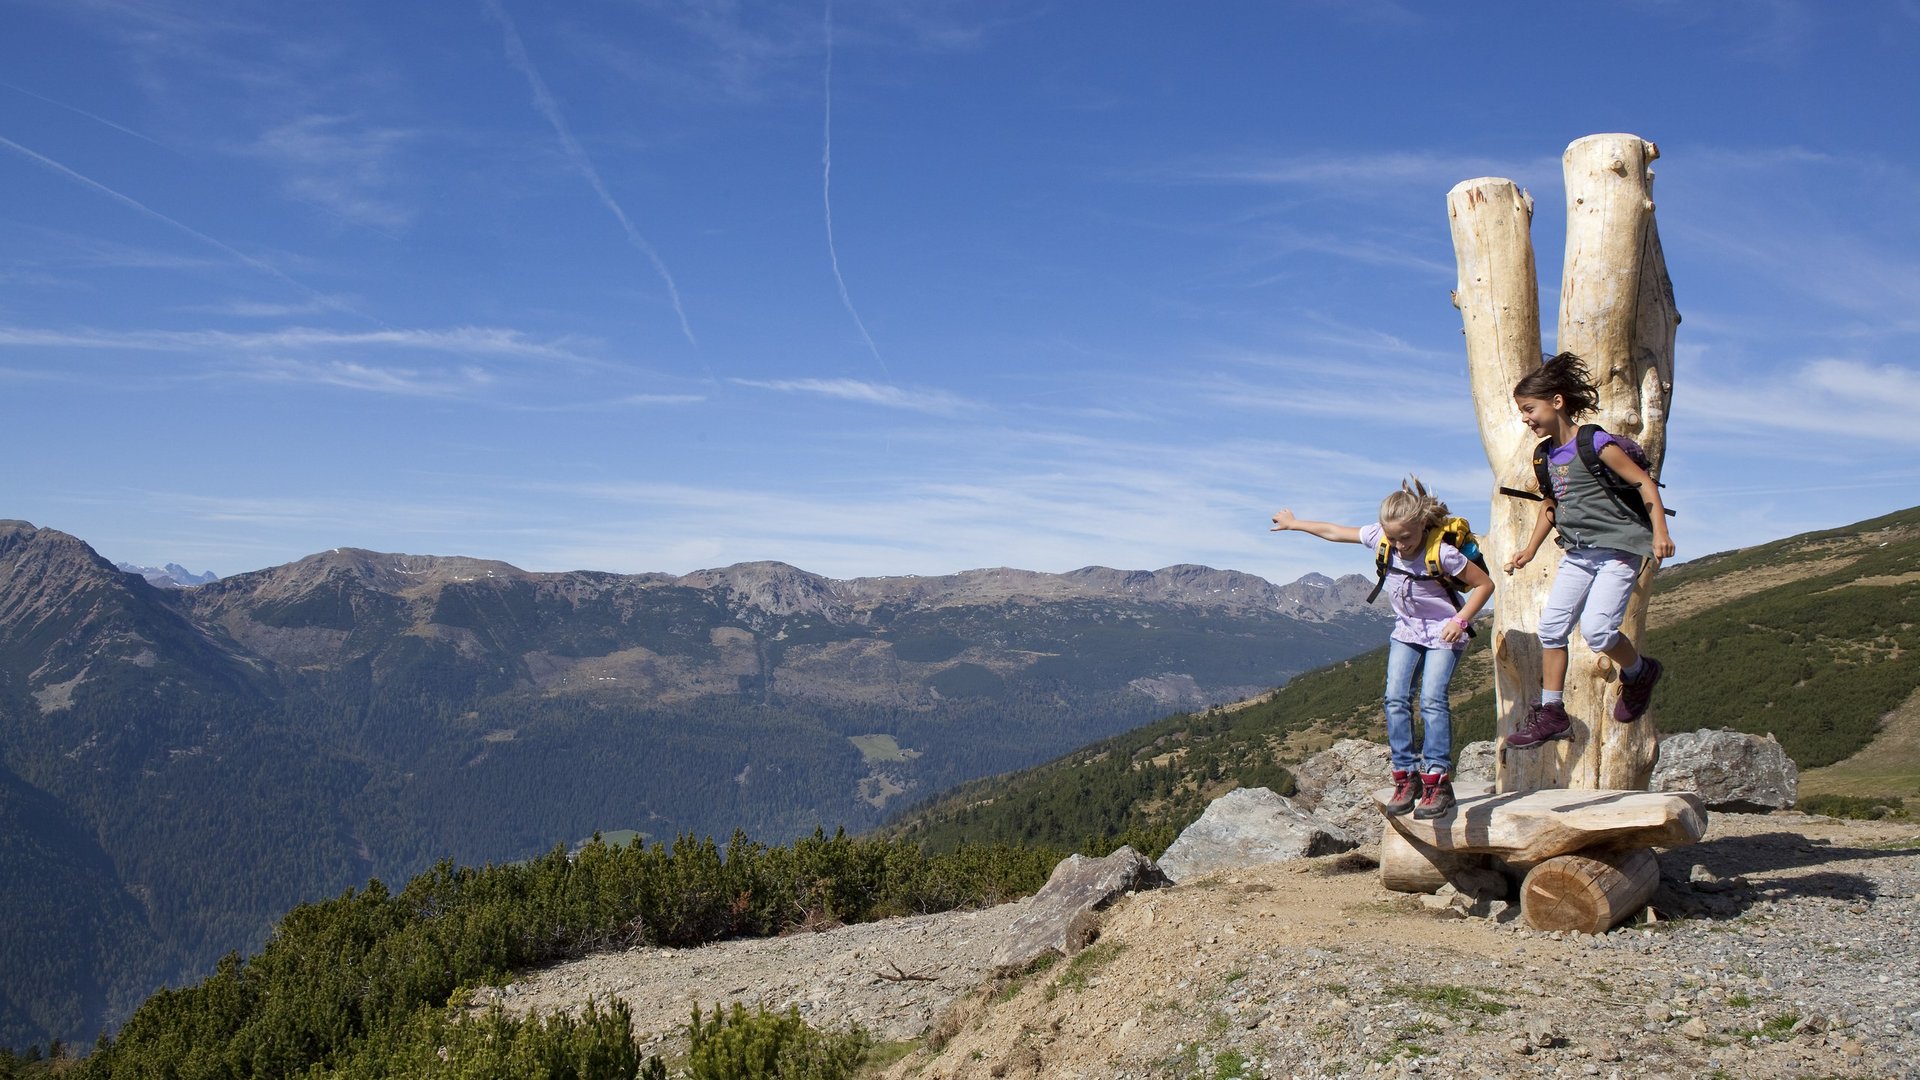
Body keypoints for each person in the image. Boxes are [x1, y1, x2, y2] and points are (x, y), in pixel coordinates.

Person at [1270, 478, 1494, 820]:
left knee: (1432, 699)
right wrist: (1294, 524)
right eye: (1393, 537)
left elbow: (1484, 585)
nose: (1400, 545)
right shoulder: (1382, 538)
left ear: (1421, 524)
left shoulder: (1443, 553)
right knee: (1394, 697)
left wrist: (1461, 620)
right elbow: (1334, 531)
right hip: (1406, 631)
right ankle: (1405, 777)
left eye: (1406, 537)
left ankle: (1437, 780)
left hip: (1443, 632)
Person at [1503, 352, 1676, 749]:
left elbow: (1644, 485)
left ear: (1557, 402)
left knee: (1598, 631)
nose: (1526, 418)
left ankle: (1637, 672)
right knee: (1551, 629)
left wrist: (1660, 532)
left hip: (1617, 549)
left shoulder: (1594, 442)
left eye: (1530, 409)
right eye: (1522, 412)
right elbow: (1552, 505)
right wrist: (1529, 550)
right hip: (1578, 553)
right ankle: (1553, 712)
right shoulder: (1544, 456)